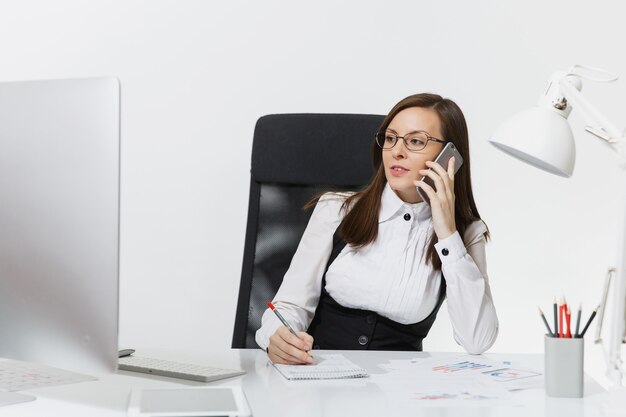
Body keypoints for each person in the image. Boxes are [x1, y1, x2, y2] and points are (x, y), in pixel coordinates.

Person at [255, 93, 498, 365]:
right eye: (391, 138)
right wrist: (276, 336)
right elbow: (289, 306)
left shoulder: (465, 234)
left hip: (401, 399)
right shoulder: (337, 210)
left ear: (449, 158)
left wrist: (447, 233)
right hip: (320, 387)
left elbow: (477, 340)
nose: (397, 151)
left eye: (415, 141)